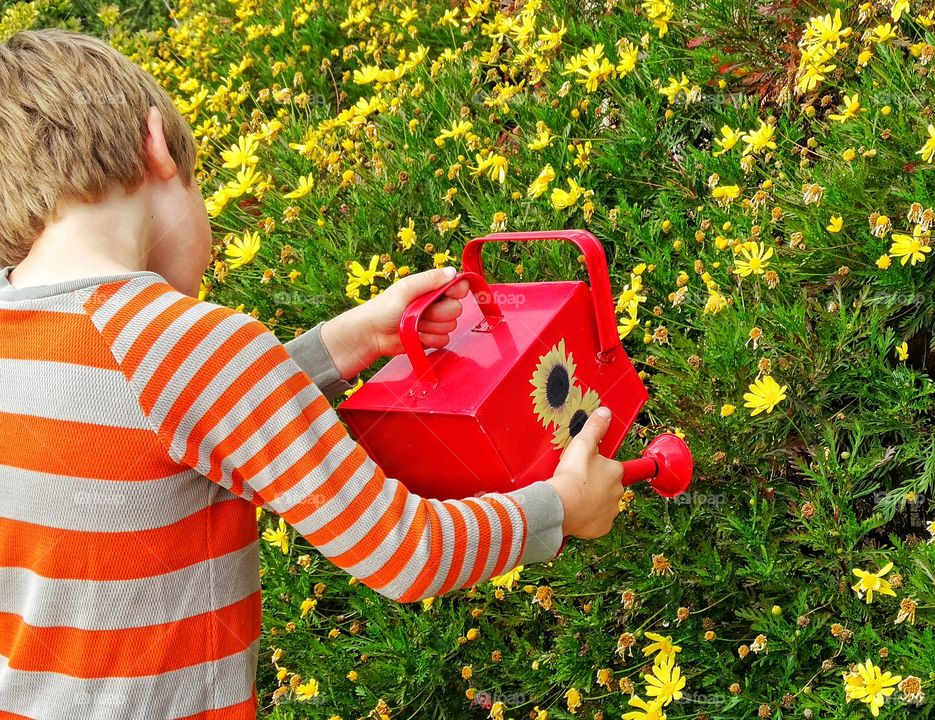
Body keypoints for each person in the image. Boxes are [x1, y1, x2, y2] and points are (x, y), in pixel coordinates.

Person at [0, 29, 626, 719]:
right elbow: (403, 550)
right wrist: (561, 506)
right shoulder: (183, 346)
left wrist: (345, 343)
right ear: (157, 146)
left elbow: (157, 427)